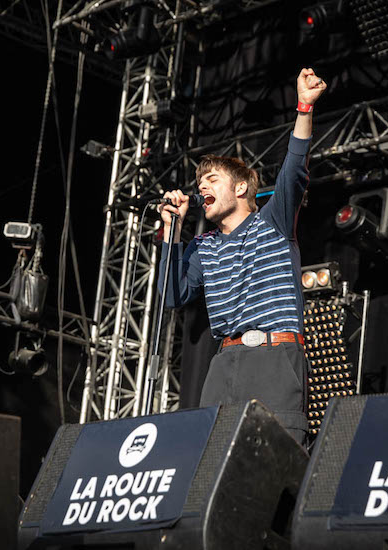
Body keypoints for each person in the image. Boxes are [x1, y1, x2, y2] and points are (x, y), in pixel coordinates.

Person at [157, 68, 327, 445]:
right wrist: (172, 231)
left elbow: (294, 170)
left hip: (274, 355)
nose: (202, 188)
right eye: (199, 185)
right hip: (226, 362)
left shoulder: (273, 220)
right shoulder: (203, 246)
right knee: (211, 456)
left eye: (211, 180)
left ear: (241, 187)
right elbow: (173, 296)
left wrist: (304, 108)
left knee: (276, 455)